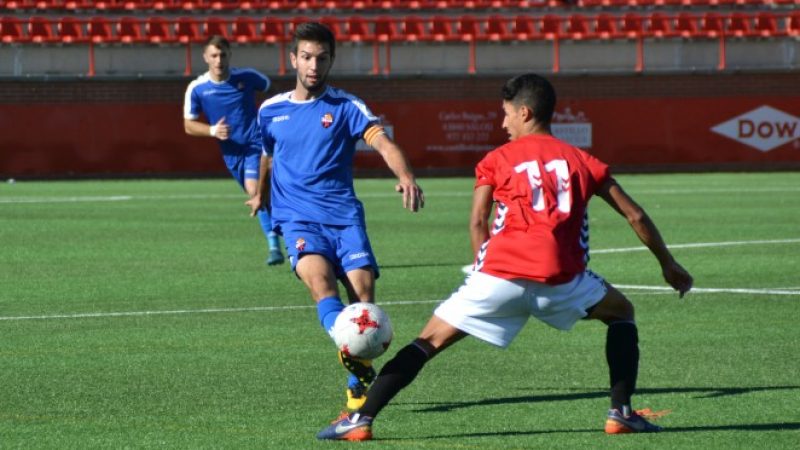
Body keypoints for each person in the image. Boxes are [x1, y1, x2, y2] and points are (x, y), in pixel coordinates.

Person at [318, 73, 694, 441]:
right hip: (562, 281)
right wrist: (668, 264)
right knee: (622, 313)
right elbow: (636, 215)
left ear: (525, 113)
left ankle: (360, 419)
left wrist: (481, 276)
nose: (503, 122)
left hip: (496, 277)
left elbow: (478, 220)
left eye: (507, 113)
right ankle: (621, 413)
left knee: (427, 342)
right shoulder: (583, 161)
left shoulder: (496, 159)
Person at [245, 23, 424, 413]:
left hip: (345, 220)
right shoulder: (271, 111)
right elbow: (267, 155)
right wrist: (260, 191)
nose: (313, 65)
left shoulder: (346, 107)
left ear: (331, 61)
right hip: (298, 220)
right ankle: (352, 355)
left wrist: (405, 176)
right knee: (322, 286)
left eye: (321, 58)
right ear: (293, 59)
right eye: (306, 57)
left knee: (363, 303)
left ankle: (355, 381)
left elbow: (383, 142)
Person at [184, 35, 284, 265]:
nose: (219, 60)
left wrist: (273, 120)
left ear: (230, 55)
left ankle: (275, 246)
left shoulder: (247, 77)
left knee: (254, 191)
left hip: (255, 144)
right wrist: (211, 131)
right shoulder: (198, 88)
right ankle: (285, 236)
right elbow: (188, 125)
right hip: (231, 153)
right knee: (263, 197)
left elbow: (274, 91)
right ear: (205, 57)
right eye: (214, 55)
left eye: (223, 55)